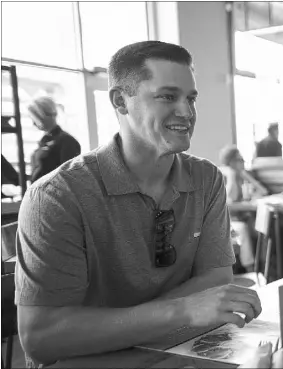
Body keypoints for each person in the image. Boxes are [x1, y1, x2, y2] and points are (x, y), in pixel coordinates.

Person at [15, 41, 262, 366]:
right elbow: (41, 338)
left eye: (191, 98)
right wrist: (183, 309)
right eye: (167, 96)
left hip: (178, 351)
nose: (187, 112)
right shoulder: (57, 196)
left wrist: (119, 323)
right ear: (121, 101)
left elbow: (216, 281)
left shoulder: (206, 179)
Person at [218, 144, 269, 272]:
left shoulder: (238, 175)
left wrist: (245, 175)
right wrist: (249, 205)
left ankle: (263, 267)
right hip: (225, 220)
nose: (243, 162)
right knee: (244, 229)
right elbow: (226, 204)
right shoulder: (227, 176)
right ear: (231, 162)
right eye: (240, 160)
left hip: (239, 217)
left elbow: (263, 191)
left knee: (262, 229)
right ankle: (251, 269)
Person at [27, 96, 81, 182]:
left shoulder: (67, 141)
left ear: (48, 115)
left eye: (36, 118)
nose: (33, 123)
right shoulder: (43, 141)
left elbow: (70, 176)